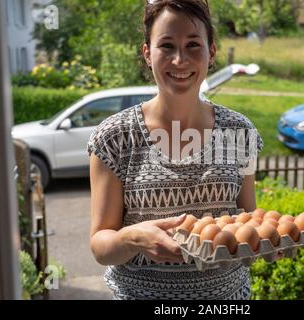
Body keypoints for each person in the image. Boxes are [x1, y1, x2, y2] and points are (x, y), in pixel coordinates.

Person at [87, 0, 263, 300]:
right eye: (166, 46)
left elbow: (249, 218)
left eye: (193, 45)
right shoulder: (115, 138)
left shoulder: (239, 132)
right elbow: (101, 246)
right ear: (147, 53)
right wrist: (134, 238)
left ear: (212, 52)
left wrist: (276, 239)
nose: (180, 60)